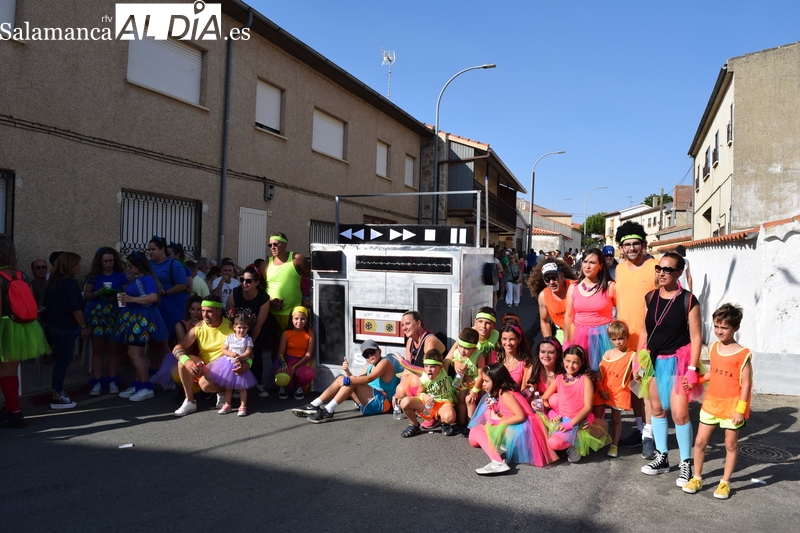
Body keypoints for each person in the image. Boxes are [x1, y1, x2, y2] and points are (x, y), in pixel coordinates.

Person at [638, 252, 702, 488]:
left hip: (678, 361)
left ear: (678, 274)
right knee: (656, 408)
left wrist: (693, 369)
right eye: (659, 268)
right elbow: (645, 331)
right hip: (653, 360)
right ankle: (661, 456)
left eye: (667, 270)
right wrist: (639, 360)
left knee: (680, 414)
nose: (661, 273)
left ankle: (686, 462)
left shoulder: (688, 300)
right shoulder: (650, 297)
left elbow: (696, 338)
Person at [683, 304, 752, 500]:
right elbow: (713, 372)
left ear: (735, 328)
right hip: (711, 404)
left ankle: (724, 482)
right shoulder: (713, 347)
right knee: (699, 441)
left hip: (732, 408)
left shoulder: (743, 353)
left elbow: (746, 384)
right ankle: (697, 477)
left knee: (730, 444)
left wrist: (741, 410)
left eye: (724, 327)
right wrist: (698, 379)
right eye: (716, 326)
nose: (719, 331)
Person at [614, 221, 657, 455]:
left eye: (636, 244)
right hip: (625, 341)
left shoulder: (656, 267)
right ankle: (641, 429)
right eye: (627, 244)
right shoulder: (619, 270)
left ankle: (650, 435)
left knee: (648, 389)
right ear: (621, 248)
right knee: (635, 388)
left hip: (648, 340)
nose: (632, 248)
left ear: (644, 244)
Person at [469, 362, 557, 474]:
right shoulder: (504, 391)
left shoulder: (505, 393)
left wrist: (497, 422)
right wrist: (495, 407)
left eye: (486, 381)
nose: (483, 385)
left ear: (496, 380)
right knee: (473, 438)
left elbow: (520, 416)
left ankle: (498, 462)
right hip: (524, 430)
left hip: (522, 432)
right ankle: (500, 446)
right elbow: (508, 412)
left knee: (477, 429)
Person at [0, 237, 51, 426]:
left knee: (5, 372)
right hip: (23, 327)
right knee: (11, 371)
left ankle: (15, 413)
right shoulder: (21, 275)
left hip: (4, 327)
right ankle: (9, 409)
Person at [292, 339, 399, 423]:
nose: (370, 356)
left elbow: (368, 379)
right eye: (366, 355)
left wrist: (350, 379)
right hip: (368, 402)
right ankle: (315, 405)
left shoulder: (385, 362)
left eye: (372, 352)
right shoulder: (369, 366)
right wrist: (346, 371)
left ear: (379, 351)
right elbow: (356, 380)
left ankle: (328, 410)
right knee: (341, 378)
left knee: (351, 381)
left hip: (383, 403)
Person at [172, 297, 243, 417]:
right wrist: (187, 361)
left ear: (219, 311)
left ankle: (223, 391)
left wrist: (247, 364)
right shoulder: (199, 327)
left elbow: (248, 350)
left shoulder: (231, 327)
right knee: (181, 363)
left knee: (205, 385)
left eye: (209, 311)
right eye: (203, 310)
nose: (204, 315)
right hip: (205, 365)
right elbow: (177, 348)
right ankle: (190, 401)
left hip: (225, 368)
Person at [114, 250, 169, 402]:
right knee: (135, 353)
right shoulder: (139, 278)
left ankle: (145, 387)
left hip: (141, 319)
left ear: (138, 265)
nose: (128, 268)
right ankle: (139, 384)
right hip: (134, 317)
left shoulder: (148, 279)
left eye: (130, 265)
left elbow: (153, 297)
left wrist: (132, 298)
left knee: (135, 354)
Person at [540, 345, 610, 463]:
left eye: (575, 362)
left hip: (578, 419)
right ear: (563, 360)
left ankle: (575, 442)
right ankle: (567, 439)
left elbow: (588, 407)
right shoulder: (559, 378)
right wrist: (552, 414)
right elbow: (544, 399)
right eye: (568, 361)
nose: (570, 365)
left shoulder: (585, 379)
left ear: (581, 363)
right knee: (542, 438)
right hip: (562, 417)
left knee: (553, 443)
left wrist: (571, 424)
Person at [41, 252, 89, 410]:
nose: (78, 267)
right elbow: (75, 309)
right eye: (76, 264)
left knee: (60, 360)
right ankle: (57, 394)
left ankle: (56, 391)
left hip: (54, 325)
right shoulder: (69, 283)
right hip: (65, 327)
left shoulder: (52, 282)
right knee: (63, 360)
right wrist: (83, 326)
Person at [83, 247, 127, 396]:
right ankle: (97, 382)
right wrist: (99, 292)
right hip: (98, 316)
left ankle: (113, 380)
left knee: (114, 350)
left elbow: (125, 294)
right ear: (99, 262)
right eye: (105, 261)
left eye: (111, 261)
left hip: (114, 314)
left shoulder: (121, 276)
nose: (108, 264)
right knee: (98, 350)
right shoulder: (94, 276)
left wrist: (117, 296)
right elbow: (87, 295)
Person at [563, 247, 616, 371]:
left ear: (601, 266)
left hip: (603, 337)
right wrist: (566, 341)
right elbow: (569, 316)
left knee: (602, 374)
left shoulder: (610, 286)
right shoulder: (573, 287)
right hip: (579, 337)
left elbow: (622, 313)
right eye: (585, 262)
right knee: (581, 373)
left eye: (592, 263)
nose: (587, 266)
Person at [592, 320, 635, 458]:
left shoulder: (632, 355)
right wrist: (600, 389)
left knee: (616, 419)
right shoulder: (608, 353)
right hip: (602, 390)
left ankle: (614, 444)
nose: (618, 342)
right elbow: (600, 374)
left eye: (621, 338)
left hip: (618, 393)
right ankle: (598, 440)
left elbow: (636, 374)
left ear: (627, 336)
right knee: (597, 418)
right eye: (614, 339)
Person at [226, 266, 270, 397]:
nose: (244, 283)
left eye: (249, 281)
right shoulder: (236, 292)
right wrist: (236, 338)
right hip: (237, 328)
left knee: (254, 353)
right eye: (242, 280)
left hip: (256, 329)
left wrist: (249, 344)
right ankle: (234, 384)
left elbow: (259, 324)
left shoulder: (263, 298)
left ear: (257, 283)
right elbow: (229, 316)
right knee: (234, 353)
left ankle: (257, 383)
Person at [207, 312, 258, 416]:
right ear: (234, 327)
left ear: (248, 328)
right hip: (228, 364)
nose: (241, 330)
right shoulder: (230, 337)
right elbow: (224, 350)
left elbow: (248, 352)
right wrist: (231, 353)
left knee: (242, 387)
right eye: (239, 327)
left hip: (241, 364)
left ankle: (243, 406)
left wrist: (240, 357)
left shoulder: (248, 339)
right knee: (228, 386)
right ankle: (227, 404)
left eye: (244, 328)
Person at [147, 236, 188, 368]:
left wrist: (165, 292)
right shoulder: (149, 265)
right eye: (149, 250)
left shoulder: (173, 264)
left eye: (153, 249)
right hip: (154, 306)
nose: (151, 252)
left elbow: (183, 285)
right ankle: (154, 371)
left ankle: (170, 373)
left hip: (171, 307)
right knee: (153, 341)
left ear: (162, 249)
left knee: (168, 341)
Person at [399, 349, 457, 437]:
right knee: (404, 402)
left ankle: (443, 423)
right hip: (429, 406)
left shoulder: (444, 369)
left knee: (450, 417)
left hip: (443, 403)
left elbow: (451, 353)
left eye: (433, 366)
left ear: (440, 367)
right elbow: (419, 393)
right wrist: (425, 397)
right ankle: (414, 425)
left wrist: (459, 340)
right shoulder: (423, 378)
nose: (428, 370)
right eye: (426, 366)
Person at [261, 232, 306, 336]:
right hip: (272, 314)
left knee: (293, 345)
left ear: (285, 244)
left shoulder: (297, 259)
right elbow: (260, 288)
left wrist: (308, 299)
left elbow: (311, 279)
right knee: (275, 346)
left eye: (276, 244)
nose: (272, 247)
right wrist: (270, 301)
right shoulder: (265, 264)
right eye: (270, 245)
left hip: (294, 314)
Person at [444, 327, 484, 432]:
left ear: (474, 348)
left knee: (469, 400)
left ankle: (471, 426)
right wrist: (454, 362)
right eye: (460, 346)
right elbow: (453, 359)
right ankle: (461, 423)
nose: (462, 350)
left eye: (467, 348)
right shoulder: (457, 352)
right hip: (462, 381)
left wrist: (475, 391)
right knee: (461, 399)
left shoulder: (479, 356)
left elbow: (481, 375)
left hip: (474, 383)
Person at [528, 258, 577, 343]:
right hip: (562, 333)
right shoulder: (543, 296)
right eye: (547, 279)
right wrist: (549, 343)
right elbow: (544, 321)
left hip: (583, 332)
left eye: (554, 277)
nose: (551, 282)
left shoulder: (576, 287)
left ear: (562, 276)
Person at [273, 306, 316, 401]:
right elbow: (280, 353)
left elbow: (308, 355)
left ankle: (298, 386)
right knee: (282, 373)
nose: (299, 322)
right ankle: (283, 387)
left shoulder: (310, 333)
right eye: (296, 318)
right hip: (286, 360)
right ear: (291, 319)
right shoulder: (286, 333)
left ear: (307, 320)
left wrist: (295, 366)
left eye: (303, 319)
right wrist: (284, 365)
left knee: (308, 374)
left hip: (302, 361)